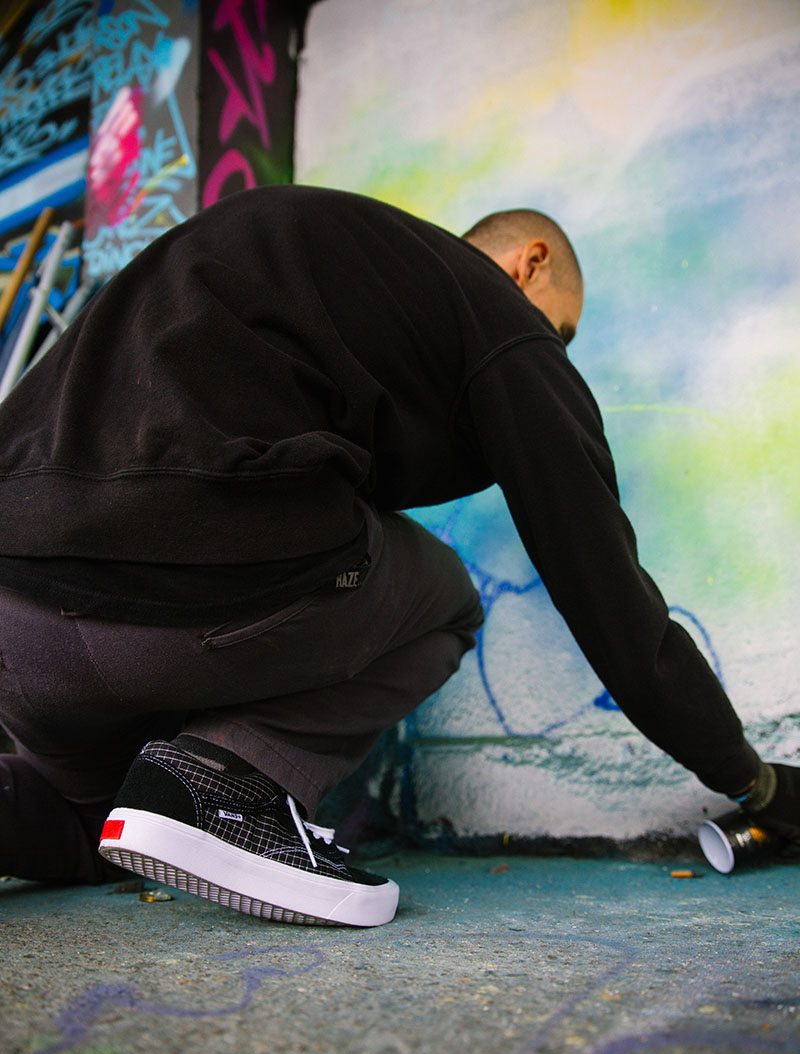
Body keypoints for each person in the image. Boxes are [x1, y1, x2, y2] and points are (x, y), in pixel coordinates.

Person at [0, 185, 796, 926]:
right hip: (159, 590)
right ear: (531, 263)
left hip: (17, 614)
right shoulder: (498, 312)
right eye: (562, 331)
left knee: (82, 817)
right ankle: (221, 787)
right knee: (447, 600)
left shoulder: (318, 260)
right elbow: (604, 587)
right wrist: (750, 779)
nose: (555, 350)